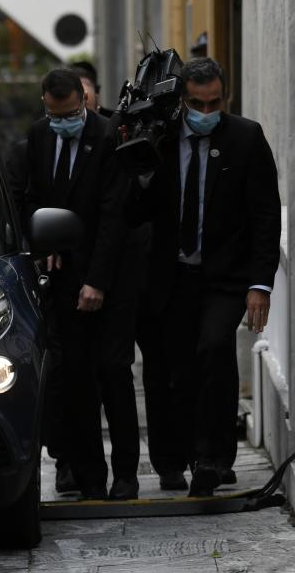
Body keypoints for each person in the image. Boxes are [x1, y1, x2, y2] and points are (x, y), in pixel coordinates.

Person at [130, 57, 281, 497]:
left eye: (214, 102)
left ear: (224, 97)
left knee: (214, 350)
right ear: (182, 101)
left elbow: (265, 215)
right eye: (197, 103)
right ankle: (184, 458)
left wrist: (260, 284)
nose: (206, 111)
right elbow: (136, 212)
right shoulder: (159, 137)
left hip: (225, 277)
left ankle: (213, 458)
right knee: (179, 370)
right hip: (170, 275)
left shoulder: (246, 138)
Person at [24, 68, 139, 500]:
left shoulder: (109, 135)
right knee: (74, 378)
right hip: (63, 276)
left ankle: (125, 473)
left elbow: (114, 213)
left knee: (113, 371)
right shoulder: (39, 136)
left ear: (83, 102)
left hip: (109, 274)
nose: (63, 122)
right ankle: (90, 476)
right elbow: (35, 195)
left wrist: (97, 280)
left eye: (70, 112)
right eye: (54, 115)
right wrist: (45, 241)